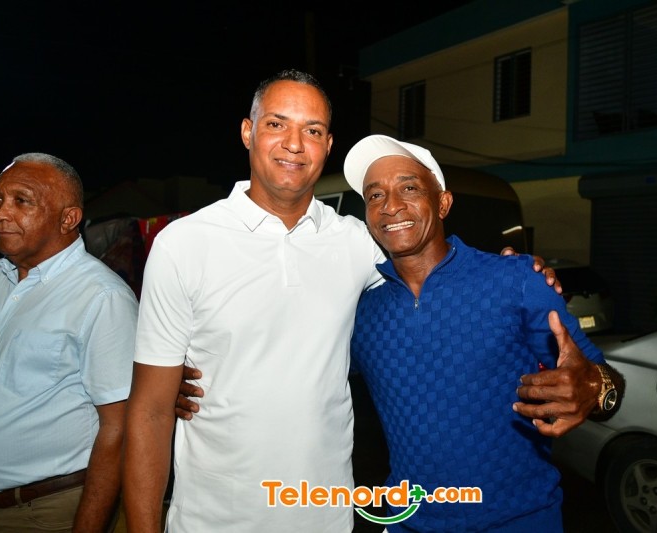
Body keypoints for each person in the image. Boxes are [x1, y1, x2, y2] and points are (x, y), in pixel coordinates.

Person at [124, 69, 600, 533]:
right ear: (248, 132)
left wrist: (522, 276)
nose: (294, 143)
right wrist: (180, 380)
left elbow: (428, 264)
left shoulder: (354, 241)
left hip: (327, 516)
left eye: (312, 130)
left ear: (327, 145)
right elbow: (149, 410)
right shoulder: (184, 243)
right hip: (214, 518)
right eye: (277, 124)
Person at [342, 135, 624, 531]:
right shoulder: (361, 312)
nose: (390, 205)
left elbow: (605, 384)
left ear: (443, 203)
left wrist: (594, 386)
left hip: (519, 521)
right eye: (375, 195)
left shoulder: (516, 280)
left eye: (409, 188)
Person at [0, 153, 138, 532]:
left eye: (22, 201)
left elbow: (120, 429)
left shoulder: (101, 297)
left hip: (45, 512)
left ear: (68, 218)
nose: (0, 213)